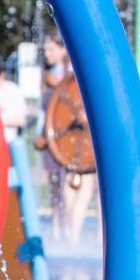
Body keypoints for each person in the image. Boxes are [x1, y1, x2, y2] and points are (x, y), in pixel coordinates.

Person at [39, 34, 97, 247]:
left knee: (80, 180)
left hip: (78, 136)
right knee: (68, 180)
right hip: (66, 135)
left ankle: (72, 231)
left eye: (51, 49)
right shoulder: (62, 75)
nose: (47, 53)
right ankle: (68, 231)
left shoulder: (68, 75)